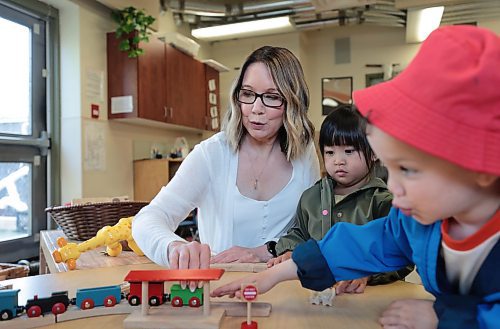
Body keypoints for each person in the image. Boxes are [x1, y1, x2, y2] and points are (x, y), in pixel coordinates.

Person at [211, 25, 500, 329]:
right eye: (392, 169)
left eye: (409, 170)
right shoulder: (416, 224)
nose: (394, 189)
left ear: (481, 168)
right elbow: (363, 244)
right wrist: (272, 275)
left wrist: (444, 319)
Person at [132, 46, 320, 280]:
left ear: (292, 102)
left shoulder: (304, 152)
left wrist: (263, 253)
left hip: (287, 287)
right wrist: (174, 247)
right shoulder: (212, 154)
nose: (256, 109)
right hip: (222, 288)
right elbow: (148, 218)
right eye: (248, 94)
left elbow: (314, 228)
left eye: (271, 97)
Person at [267, 105, 412, 294]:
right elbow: (300, 234)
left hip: (367, 298)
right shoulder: (311, 198)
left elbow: (402, 255)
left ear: (374, 152)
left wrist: (368, 275)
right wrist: (288, 252)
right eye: (330, 152)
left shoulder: (384, 202)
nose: (338, 161)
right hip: (314, 295)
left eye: (349, 151)